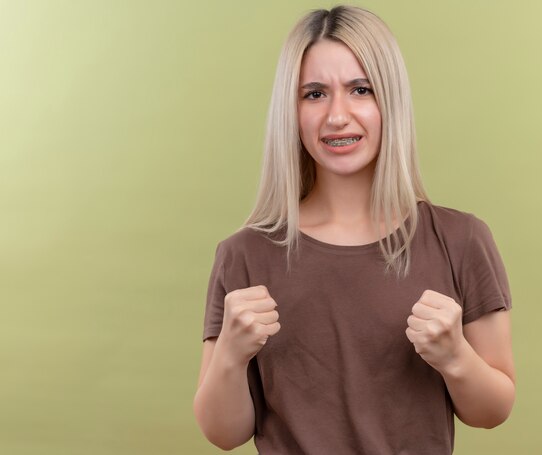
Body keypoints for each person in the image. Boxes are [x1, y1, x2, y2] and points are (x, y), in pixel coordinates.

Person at [193, 5, 514, 454]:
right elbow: (223, 434)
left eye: (360, 89)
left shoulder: (461, 240)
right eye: (314, 94)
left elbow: (493, 410)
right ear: (292, 108)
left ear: (390, 101)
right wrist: (230, 354)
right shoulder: (244, 254)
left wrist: (455, 357)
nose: (337, 116)